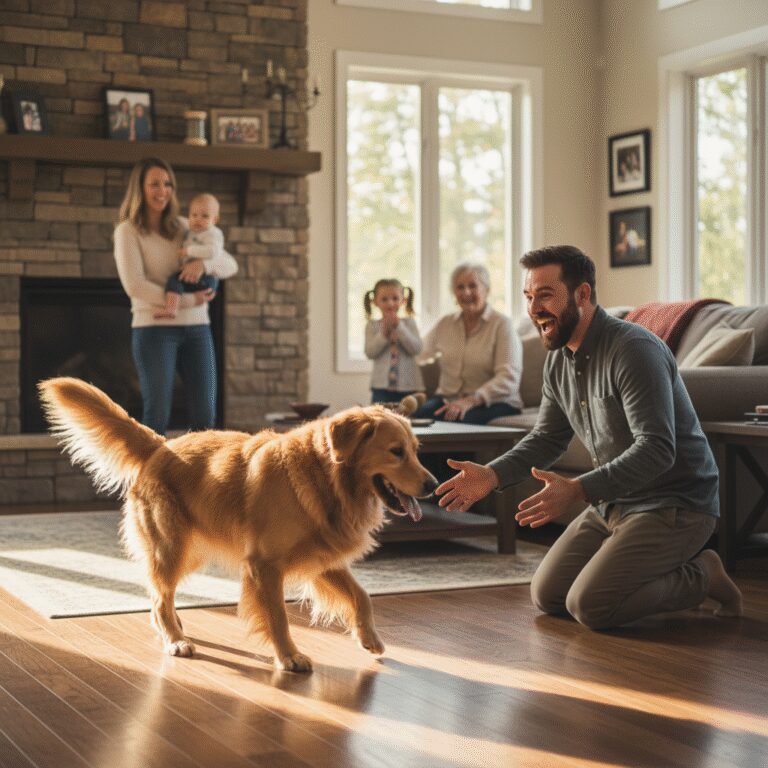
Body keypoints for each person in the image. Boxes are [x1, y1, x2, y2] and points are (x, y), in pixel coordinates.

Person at [435, 245, 743, 627]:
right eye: (529, 297)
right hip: (612, 504)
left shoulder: (634, 350)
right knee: (548, 595)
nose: (533, 309)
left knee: (590, 606)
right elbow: (547, 438)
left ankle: (701, 575)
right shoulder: (558, 360)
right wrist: (493, 475)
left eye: (545, 295)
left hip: (675, 504)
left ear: (582, 294)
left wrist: (577, 489)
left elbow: (658, 449)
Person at [113, 157, 238, 435]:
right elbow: (135, 286)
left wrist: (203, 265)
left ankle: (198, 479)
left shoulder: (186, 225)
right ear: (140, 189)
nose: (163, 190)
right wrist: (188, 301)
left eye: (167, 183)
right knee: (156, 415)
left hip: (197, 330)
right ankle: (149, 478)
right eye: (154, 184)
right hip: (154, 329)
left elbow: (230, 265)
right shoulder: (128, 231)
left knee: (206, 414)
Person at [413, 262, 523, 425]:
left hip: (494, 402)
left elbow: (508, 378)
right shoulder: (446, 323)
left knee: (461, 420)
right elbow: (418, 352)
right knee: (419, 419)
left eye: (473, 286)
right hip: (448, 399)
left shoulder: (502, 324)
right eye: (460, 287)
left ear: (487, 290)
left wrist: (471, 400)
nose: (466, 292)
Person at [154, 193, 223, 320]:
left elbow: (212, 251)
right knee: (174, 282)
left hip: (206, 278)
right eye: (194, 215)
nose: (198, 219)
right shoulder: (191, 231)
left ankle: (172, 308)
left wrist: (189, 251)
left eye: (205, 216)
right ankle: (172, 309)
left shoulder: (212, 233)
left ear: (215, 220)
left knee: (174, 280)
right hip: (192, 275)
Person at [364, 278, 423, 404]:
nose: (390, 304)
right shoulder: (372, 326)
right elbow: (370, 353)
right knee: (380, 419)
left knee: (407, 418)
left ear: (403, 300)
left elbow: (416, 348)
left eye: (395, 298)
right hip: (380, 388)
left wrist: (399, 327)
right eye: (384, 299)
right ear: (375, 302)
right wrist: (383, 334)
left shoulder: (409, 323)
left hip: (408, 386)